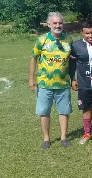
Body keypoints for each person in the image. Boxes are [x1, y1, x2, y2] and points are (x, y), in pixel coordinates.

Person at [28, 12, 75, 149]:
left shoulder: (69, 39)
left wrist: (73, 79)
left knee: (64, 111)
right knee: (44, 111)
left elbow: (73, 61)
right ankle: (46, 139)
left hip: (63, 83)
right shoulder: (41, 40)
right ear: (49, 25)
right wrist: (31, 79)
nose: (57, 25)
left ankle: (64, 137)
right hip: (44, 83)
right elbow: (33, 58)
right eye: (54, 23)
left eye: (60, 23)